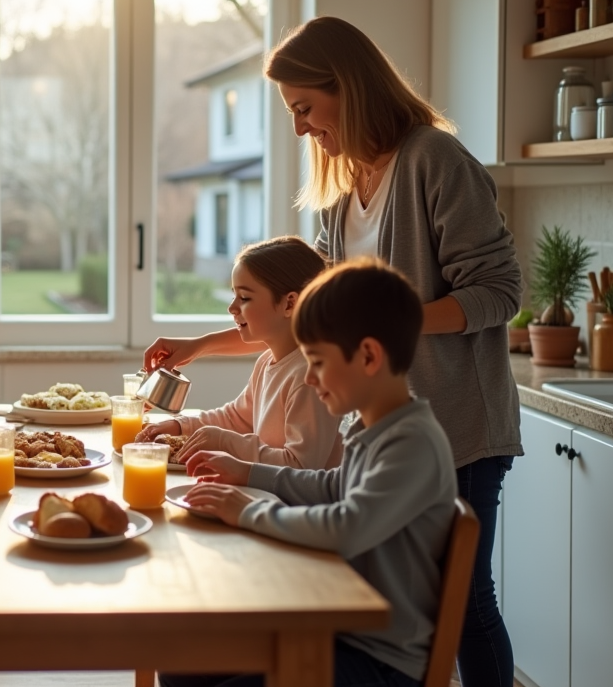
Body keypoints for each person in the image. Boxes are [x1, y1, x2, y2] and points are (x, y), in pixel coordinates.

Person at [143, 16, 522, 687]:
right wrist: (202, 345)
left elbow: (498, 292)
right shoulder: (344, 191)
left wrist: (386, 322)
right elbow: (308, 320)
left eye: (305, 108)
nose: (299, 128)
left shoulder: (433, 160)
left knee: (464, 608)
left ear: (347, 88)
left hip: (455, 421)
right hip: (373, 418)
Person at [171, 259, 457, 687]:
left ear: (368, 356)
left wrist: (244, 512)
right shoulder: (372, 428)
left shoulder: (411, 444)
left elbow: (347, 525)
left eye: (318, 361)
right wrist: (247, 473)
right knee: (181, 669)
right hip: (340, 630)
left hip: (380, 660)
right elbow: (332, 485)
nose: (308, 376)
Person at [136, 236, 342, 469]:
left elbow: (301, 467)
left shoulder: (309, 377)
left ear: (289, 304)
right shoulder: (267, 362)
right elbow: (235, 418)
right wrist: (181, 426)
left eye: (244, 298)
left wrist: (225, 443)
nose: (232, 307)